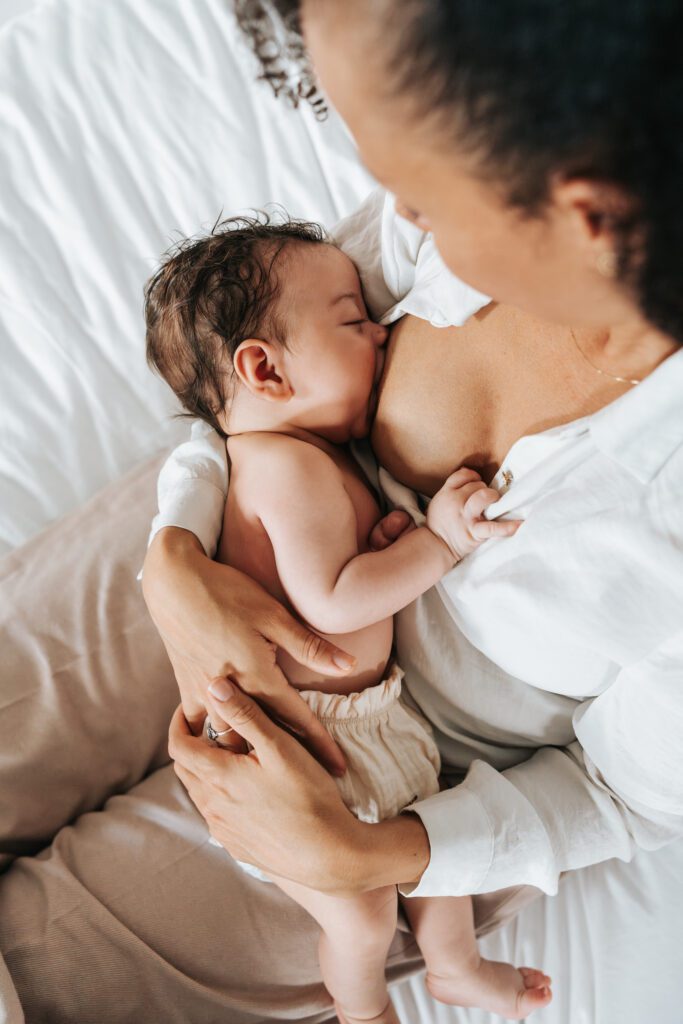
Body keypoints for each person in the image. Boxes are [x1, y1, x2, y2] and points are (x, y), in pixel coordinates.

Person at [2, 3, 682, 1021]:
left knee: (59, 975)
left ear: (579, 213)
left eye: (419, 190)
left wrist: (365, 852)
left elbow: (620, 796)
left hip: (394, 773)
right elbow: (248, 360)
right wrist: (175, 555)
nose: (392, 213)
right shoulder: (485, 208)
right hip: (244, 519)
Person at [144, 213, 549, 1023]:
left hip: (368, 721)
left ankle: (454, 970)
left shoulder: (307, 458)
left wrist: (382, 540)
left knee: (435, 863)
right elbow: (332, 600)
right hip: (298, 748)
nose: (379, 333)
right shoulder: (284, 468)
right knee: (360, 913)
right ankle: (362, 1008)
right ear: (263, 368)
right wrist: (434, 543)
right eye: (354, 320)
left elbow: (333, 574)